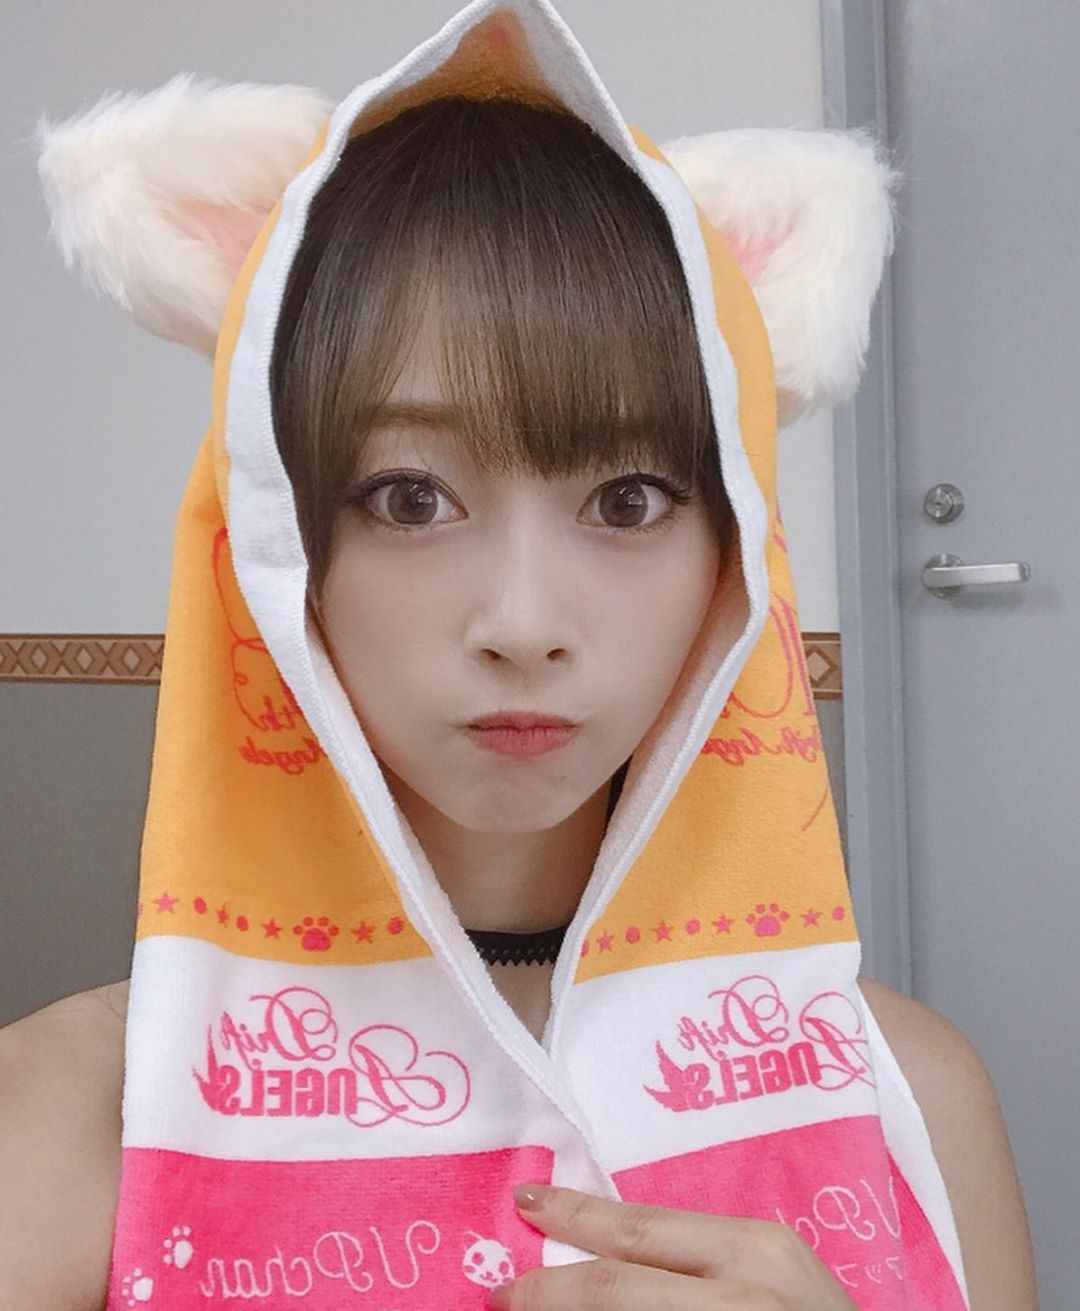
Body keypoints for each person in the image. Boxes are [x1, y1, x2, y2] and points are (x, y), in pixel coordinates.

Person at [4, 3, 1038, 1308]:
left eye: (628, 499)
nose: (522, 619)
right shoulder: (74, 1123)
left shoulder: (913, 1099)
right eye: (409, 498)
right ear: (276, 540)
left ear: (733, 553)